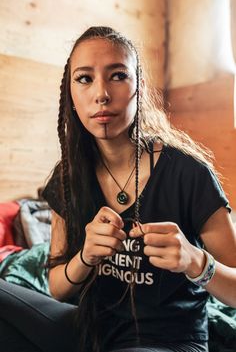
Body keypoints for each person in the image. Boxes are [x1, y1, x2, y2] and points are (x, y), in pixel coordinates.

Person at [0, 26, 236, 352]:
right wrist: (85, 256)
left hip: (169, 342)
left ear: (138, 88)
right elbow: (56, 288)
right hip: (89, 332)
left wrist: (196, 262)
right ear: (70, 93)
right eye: (85, 78)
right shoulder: (69, 177)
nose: (101, 94)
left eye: (117, 76)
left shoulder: (188, 173)